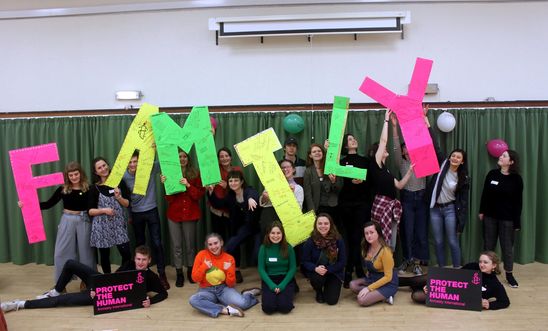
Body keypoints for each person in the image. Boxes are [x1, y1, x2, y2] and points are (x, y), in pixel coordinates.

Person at [1, 246, 168, 313]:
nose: (140, 262)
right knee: (70, 263)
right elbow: (113, 278)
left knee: (63, 301)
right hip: (100, 285)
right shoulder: (129, 263)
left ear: (149, 261)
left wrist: (150, 301)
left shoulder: (151, 277)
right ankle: (55, 290)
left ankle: (20, 304)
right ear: (135, 257)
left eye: (143, 260)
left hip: (105, 298)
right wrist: (99, 286)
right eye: (138, 259)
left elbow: (163, 294)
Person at [18, 161, 95, 283]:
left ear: (81, 173)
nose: (74, 177)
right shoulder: (63, 189)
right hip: (67, 220)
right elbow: (48, 204)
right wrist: (27, 205)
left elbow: (93, 207)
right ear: (67, 176)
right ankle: (61, 282)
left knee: (86, 253)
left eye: (76, 174)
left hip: (84, 220)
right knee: (61, 252)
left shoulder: (89, 189)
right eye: (71, 175)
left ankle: (87, 281)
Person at [391, 108, 430, 275]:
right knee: (407, 231)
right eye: (404, 147)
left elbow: (425, 142)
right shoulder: (402, 163)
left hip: (421, 198)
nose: (407, 148)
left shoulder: (421, 159)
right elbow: (395, 144)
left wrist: (422, 119)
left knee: (420, 233)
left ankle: (417, 263)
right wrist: (394, 126)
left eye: (409, 145)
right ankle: (408, 260)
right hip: (407, 198)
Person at [122, 151, 169, 290]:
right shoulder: (123, 176)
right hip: (136, 213)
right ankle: (140, 276)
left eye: (135, 161)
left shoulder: (148, 167)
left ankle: (162, 274)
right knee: (140, 245)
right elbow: (125, 197)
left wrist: (158, 147)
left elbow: (164, 163)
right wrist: (129, 215)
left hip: (152, 210)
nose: (132, 164)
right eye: (130, 162)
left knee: (157, 243)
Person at [370, 109, 414, 250]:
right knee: (380, 239)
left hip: (392, 207)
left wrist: (410, 171)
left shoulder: (386, 170)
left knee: (392, 241)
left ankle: (389, 268)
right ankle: (378, 267)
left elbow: (400, 185)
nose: (385, 148)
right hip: (381, 206)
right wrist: (386, 120)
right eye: (382, 148)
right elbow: (383, 141)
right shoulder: (375, 164)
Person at [406, 251, 510, 310]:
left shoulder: (495, 284)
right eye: (480, 261)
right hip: (444, 284)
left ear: (494, 265)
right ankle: (397, 281)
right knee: (417, 280)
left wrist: (489, 305)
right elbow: (454, 276)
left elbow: (505, 302)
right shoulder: (473, 266)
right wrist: (432, 284)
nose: (481, 264)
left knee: (416, 295)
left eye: (485, 262)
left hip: (452, 297)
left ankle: (417, 286)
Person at [479, 150, 523, 288]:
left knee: (507, 248)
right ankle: (486, 273)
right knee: (488, 246)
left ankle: (509, 275)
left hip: (507, 220)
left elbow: (518, 202)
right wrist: (482, 211)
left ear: (511, 162)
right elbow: (485, 194)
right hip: (490, 217)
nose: (500, 157)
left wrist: (517, 222)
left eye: (504, 156)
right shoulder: (492, 174)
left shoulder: (516, 179)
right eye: (501, 155)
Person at [427, 128, 470, 268]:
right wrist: (427, 122)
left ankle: (457, 268)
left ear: (462, 161)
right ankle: (441, 269)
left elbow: (463, 203)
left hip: (450, 209)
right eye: (453, 155)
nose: (455, 158)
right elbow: (435, 146)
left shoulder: (463, 178)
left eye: (458, 157)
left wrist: (461, 223)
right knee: (438, 241)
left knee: (452, 241)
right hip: (435, 209)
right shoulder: (442, 165)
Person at [189, 233, 260, 318]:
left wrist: (228, 270)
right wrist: (204, 267)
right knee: (193, 300)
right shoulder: (201, 255)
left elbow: (231, 284)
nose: (213, 247)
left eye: (216, 243)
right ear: (207, 245)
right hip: (206, 290)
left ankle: (248, 294)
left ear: (221, 243)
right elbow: (195, 278)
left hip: (223, 289)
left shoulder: (229, 258)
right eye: (210, 244)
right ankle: (226, 310)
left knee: (243, 304)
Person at [161, 150, 205, 288]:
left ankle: (191, 271)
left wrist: (188, 185)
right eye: (179, 156)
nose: (182, 159)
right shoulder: (169, 173)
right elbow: (168, 199)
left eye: (184, 156)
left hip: (190, 215)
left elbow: (198, 195)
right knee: (177, 246)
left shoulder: (195, 173)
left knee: (190, 246)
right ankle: (179, 273)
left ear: (188, 158)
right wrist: (166, 184)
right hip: (174, 215)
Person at [207, 170, 260, 283]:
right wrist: (211, 192)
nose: (233, 183)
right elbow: (218, 204)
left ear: (241, 182)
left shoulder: (248, 191)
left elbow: (253, 194)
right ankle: (225, 269)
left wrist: (251, 199)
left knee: (257, 254)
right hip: (241, 228)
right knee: (231, 245)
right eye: (230, 181)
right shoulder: (230, 196)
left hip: (255, 228)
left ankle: (267, 274)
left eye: (236, 180)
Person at [338, 133, 372, 288]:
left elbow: (371, 181)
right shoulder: (341, 162)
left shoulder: (365, 161)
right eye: (350, 139)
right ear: (345, 145)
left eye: (354, 138)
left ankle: (351, 269)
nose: (354, 140)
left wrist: (362, 181)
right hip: (346, 205)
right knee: (349, 238)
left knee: (358, 238)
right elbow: (339, 184)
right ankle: (354, 268)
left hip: (361, 204)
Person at [88, 157, 131, 274]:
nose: (103, 169)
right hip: (101, 226)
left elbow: (127, 204)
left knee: (127, 254)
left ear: (108, 165)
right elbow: (90, 211)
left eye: (104, 165)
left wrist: (119, 197)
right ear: (96, 172)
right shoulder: (94, 188)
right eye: (99, 168)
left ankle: (119, 276)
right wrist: (104, 210)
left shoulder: (119, 182)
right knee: (105, 256)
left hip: (118, 224)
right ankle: (108, 279)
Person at [301, 213, 346, 305]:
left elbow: (342, 261)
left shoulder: (338, 239)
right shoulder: (310, 241)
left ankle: (329, 286)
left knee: (331, 301)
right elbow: (304, 261)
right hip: (317, 272)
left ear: (331, 225)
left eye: (326, 223)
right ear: (316, 225)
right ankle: (318, 291)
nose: (323, 226)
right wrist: (315, 268)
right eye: (320, 223)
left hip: (333, 271)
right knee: (317, 280)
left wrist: (328, 269)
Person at [349, 221, 398, 306]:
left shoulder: (385, 251)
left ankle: (387, 294)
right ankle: (379, 295)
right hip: (373, 278)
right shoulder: (365, 247)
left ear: (378, 233)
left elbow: (388, 277)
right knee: (352, 285)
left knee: (361, 300)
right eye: (366, 233)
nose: (369, 236)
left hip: (387, 283)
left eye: (371, 232)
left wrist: (368, 288)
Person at [258, 221, 297, 314]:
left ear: (282, 234)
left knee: (285, 308)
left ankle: (291, 290)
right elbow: (261, 269)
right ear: (268, 234)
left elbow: (292, 269)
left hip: (285, 278)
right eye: (273, 233)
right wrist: (271, 286)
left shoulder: (289, 248)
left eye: (278, 233)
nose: (276, 236)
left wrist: (282, 285)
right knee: (268, 309)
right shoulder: (263, 248)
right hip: (270, 279)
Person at [259, 159, 304, 236]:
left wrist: (290, 196)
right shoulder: (272, 184)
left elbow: (298, 209)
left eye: (288, 167)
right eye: (282, 167)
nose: (285, 169)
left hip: (287, 220)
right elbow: (264, 202)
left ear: (293, 169)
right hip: (270, 218)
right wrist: (264, 198)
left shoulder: (298, 188)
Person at [303, 143, 343, 229]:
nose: (317, 153)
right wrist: (312, 212)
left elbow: (339, 189)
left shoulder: (331, 168)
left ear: (323, 153)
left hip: (333, 207)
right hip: (317, 208)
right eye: (314, 152)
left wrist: (333, 182)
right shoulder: (308, 172)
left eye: (319, 151)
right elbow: (308, 194)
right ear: (310, 155)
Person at [209, 147, 242, 243]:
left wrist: (227, 186)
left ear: (231, 158)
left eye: (226, 156)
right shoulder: (214, 170)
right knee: (218, 239)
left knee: (233, 239)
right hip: (217, 211)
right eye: (221, 156)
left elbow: (241, 189)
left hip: (233, 211)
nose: (224, 158)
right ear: (218, 159)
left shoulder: (237, 170)